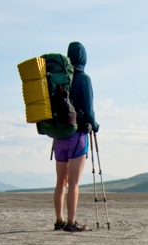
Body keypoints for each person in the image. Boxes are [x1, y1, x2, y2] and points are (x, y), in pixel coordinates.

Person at [53, 41, 99, 232]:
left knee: (60, 182)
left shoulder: (59, 78)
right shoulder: (83, 79)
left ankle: (59, 220)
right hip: (78, 135)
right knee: (74, 183)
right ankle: (72, 222)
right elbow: (88, 109)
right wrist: (95, 125)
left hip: (59, 137)